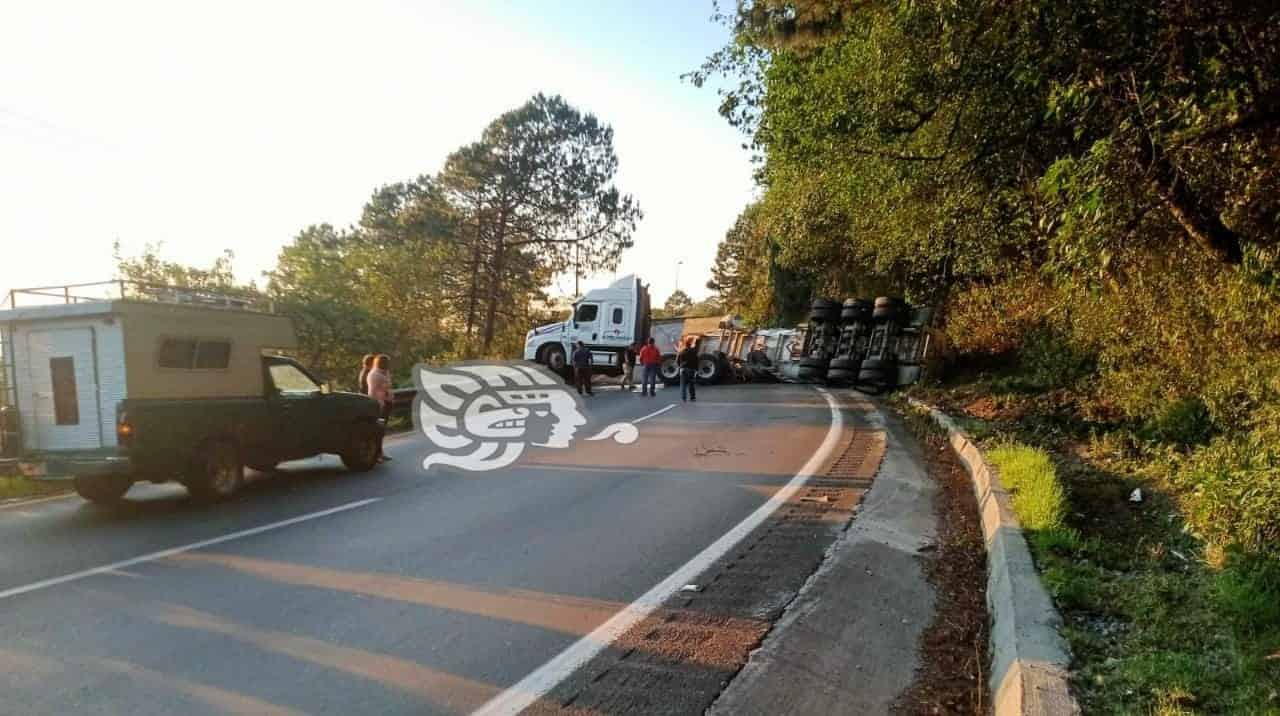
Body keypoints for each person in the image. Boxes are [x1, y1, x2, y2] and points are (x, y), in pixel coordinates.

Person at [366, 354, 393, 462]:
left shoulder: (384, 373)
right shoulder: (375, 374)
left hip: (386, 403)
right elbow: (375, 391)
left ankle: (380, 453)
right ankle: (376, 454)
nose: (389, 365)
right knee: (378, 431)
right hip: (379, 404)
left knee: (381, 430)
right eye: (387, 363)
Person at [677, 337, 700, 402]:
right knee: (691, 384)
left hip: (683, 369)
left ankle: (683, 398)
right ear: (690, 345)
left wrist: (680, 366)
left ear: (685, 345)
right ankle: (692, 398)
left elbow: (677, 361)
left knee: (683, 385)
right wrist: (696, 369)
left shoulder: (681, 352)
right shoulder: (694, 352)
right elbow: (696, 361)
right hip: (691, 370)